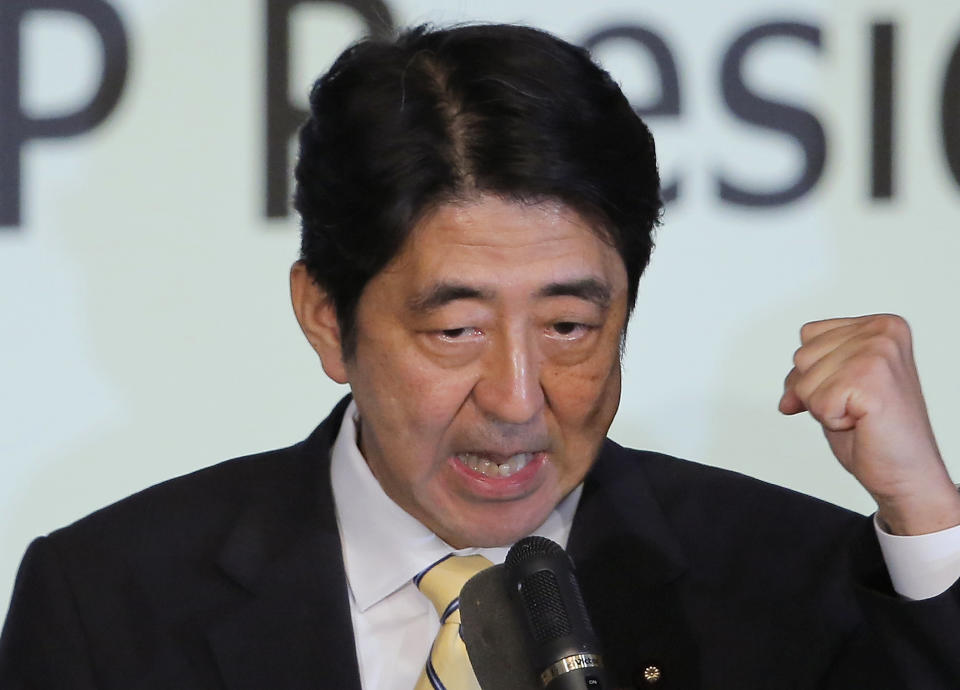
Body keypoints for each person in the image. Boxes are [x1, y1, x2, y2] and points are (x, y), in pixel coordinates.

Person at [2, 22, 960, 689]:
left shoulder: (792, 582)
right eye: (456, 329)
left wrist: (927, 520)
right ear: (326, 318)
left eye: (570, 329)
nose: (515, 401)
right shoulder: (108, 603)